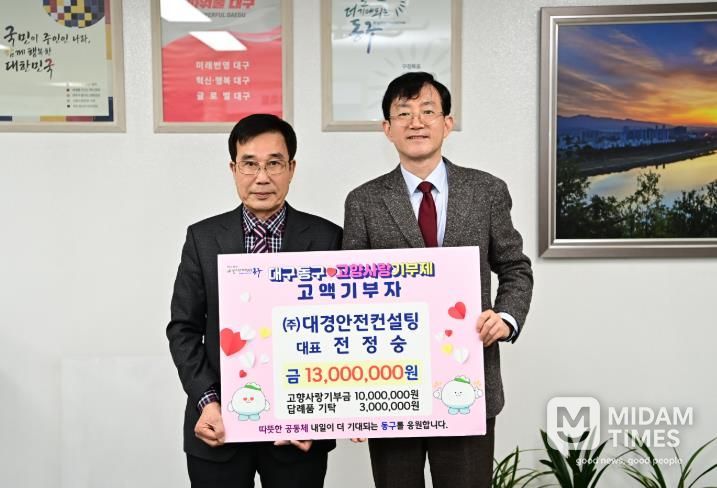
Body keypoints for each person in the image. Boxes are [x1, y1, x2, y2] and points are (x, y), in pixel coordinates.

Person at [342, 72, 533, 488]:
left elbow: (515, 267)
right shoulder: (363, 202)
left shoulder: (486, 190)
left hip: (467, 379)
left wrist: (506, 318)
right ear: (387, 128)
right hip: (390, 387)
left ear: (447, 123)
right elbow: (350, 299)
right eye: (403, 113)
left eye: (427, 111)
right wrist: (354, 399)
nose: (416, 122)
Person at [167, 114, 342, 488]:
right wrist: (207, 402)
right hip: (219, 426)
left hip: (299, 431)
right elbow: (183, 330)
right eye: (249, 164)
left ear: (291, 168)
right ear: (233, 168)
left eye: (274, 163)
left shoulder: (328, 238)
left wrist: (317, 414)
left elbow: (340, 333)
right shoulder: (203, 238)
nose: (262, 177)